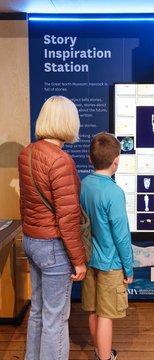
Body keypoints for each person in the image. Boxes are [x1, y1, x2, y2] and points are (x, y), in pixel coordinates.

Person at [18, 96, 87, 360]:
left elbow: (25, 201)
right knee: (56, 318)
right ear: (68, 122)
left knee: (38, 310)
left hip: (32, 240)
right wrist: (78, 261)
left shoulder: (27, 153)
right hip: (53, 247)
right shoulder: (61, 161)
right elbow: (68, 218)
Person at [80, 132, 134, 360]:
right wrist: (129, 269)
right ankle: (105, 357)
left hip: (88, 259)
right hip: (110, 263)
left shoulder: (84, 184)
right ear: (116, 161)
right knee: (106, 314)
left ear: (90, 159)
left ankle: (99, 350)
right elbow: (121, 237)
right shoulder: (114, 192)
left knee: (93, 309)